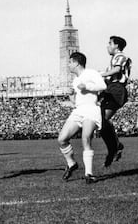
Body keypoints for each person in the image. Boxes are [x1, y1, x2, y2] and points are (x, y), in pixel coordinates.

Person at [58, 52, 107, 184]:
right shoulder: (75, 80)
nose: (68, 65)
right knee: (62, 139)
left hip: (91, 110)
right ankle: (72, 163)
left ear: (76, 63)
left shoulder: (91, 73)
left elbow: (103, 86)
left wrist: (87, 86)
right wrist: (71, 96)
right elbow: (77, 99)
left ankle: (89, 174)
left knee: (86, 138)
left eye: (70, 62)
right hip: (79, 110)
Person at [100, 36, 131, 167]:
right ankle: (115, 147)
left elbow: (117, 70)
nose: (108, 46)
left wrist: (100, 74)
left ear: (116, 46)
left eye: (110, 43)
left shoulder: (120, 57)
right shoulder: (112, 60)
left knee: (102, 120)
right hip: (110, 89)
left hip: (117, 90)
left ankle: (115, 147)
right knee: (100, 122)